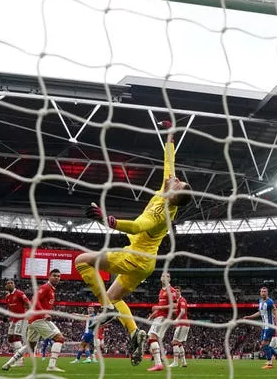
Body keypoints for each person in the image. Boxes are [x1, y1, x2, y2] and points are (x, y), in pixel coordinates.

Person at [76, 120, 192, 366]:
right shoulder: (167, 188)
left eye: (176, 182)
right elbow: (169, 163)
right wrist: (170, 135)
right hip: (145, 264)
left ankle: (106, 311)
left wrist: (111, 221)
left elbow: (138, 226)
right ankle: (134, 333)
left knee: (82, 262)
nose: (175, 178)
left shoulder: (160, 214)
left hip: (135, 257)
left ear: (173, 194)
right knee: (113, 297)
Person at [2, 269, 65, 373]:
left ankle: (9, 363)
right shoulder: (45, 287)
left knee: (30, 346)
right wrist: (44, 313)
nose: (57, 278)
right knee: (60, 338)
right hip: (38, 319)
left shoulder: (51, 289)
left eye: (58, 276)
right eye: (54, 275)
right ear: (49, 276)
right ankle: (51, 366)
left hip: (35, 319)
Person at [245, 286, 277, 370]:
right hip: (264, 326)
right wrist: (250, 317)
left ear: (267, 293)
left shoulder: (270, 302)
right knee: (263, 344)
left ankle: (270, 364)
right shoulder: (260, 301)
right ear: (260, 293)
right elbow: (260, 312)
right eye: (262, 291)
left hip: (269, 326)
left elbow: (276, 313)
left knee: (264, 343)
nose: (263, 293)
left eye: (264, 291)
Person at [146, 272, 177, 372]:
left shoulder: (171, 290)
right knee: (154, 339)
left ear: (170, 279)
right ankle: (160, 358)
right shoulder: (161, 290)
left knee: (152, 337)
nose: (164, 278)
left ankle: (158, 364)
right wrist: (151, 316)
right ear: (160, 278)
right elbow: (160, 308)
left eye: (167, 276)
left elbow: (175, 306)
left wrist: (159, 307)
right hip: (159, 316)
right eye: (163, 276)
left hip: (163, 317)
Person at [5, 279, 31, 367]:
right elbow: (10, 308)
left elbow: (28, 303)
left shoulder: (20, 293)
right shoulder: (7, 297)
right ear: (6, 286)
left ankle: (19, 360)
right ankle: (18, 354)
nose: (9, 284)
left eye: (11, 283)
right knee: (10, 338)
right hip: (13, 319)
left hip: (21, 318)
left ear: (14, 285)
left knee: (16, 337)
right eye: (8, 283)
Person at [169, 286, 189, 368]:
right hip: (183, 324)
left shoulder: (182, 300)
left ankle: (175, 362)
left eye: (178, 291)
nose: (176, 292)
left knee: (174, 342)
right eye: (175, 291)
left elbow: (183, 311)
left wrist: (177, 319)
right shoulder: (178, 301)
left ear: (180, 292)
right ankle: (184, 362)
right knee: (179, 344)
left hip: (182, 324)